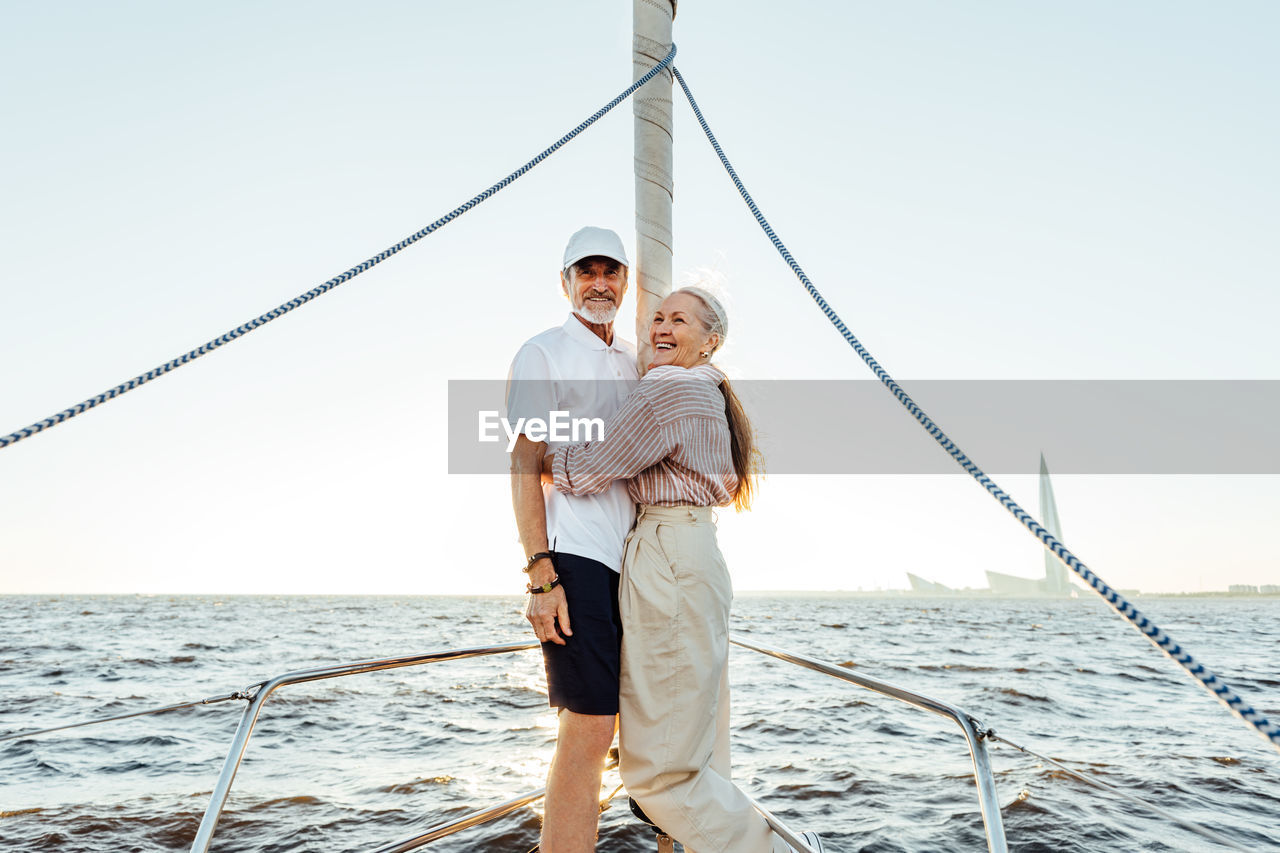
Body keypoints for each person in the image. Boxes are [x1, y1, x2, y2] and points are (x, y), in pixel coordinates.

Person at [545, 286, 826, 853]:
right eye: (656, 317)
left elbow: (592, 467)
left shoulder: (669, 387)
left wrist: (539, 455)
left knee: (657, 775)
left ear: (710, 340)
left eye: (679, 318)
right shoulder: (708, 390)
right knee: (699, 750)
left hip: (667, 551)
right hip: (696, 553)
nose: (660, 327)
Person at [506, 226, 639, 853]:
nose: (599, 283)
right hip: (576, 559)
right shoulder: (543, 352)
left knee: (626, 726)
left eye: (610, 271)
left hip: (637, 564)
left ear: (625, 281)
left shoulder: (638, 360)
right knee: (588, 728)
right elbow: (524, 462)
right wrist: (541, 573)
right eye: (585, 272)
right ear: (566, 282)